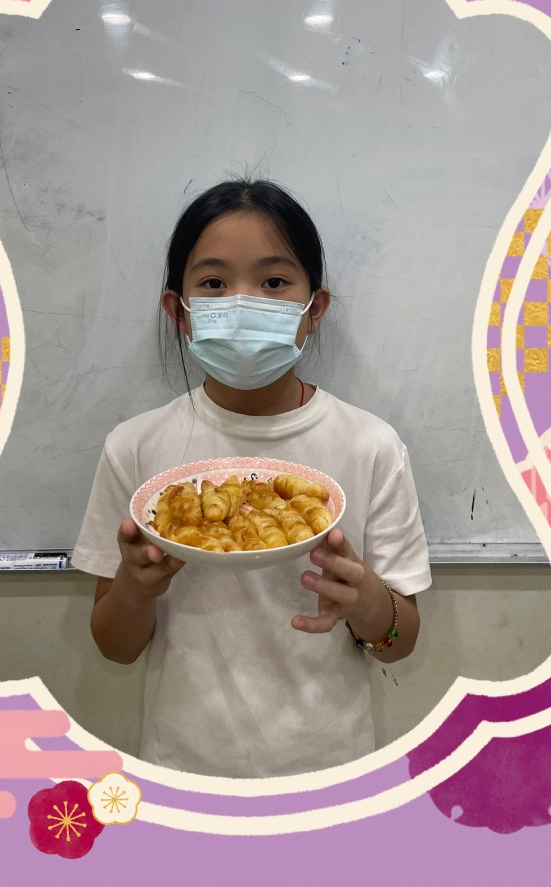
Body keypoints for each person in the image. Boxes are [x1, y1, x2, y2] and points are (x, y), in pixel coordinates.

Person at [71, 178, 432, 777]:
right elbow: (116, 647)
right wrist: (135, 587)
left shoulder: (370, 447)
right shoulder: (135, 448)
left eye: (274, 283)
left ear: (314, 310)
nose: (244, 304)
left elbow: (401, 643)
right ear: (179, 312)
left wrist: (366, 599)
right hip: (183, 765)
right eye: (214, 284)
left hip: (332, 767)